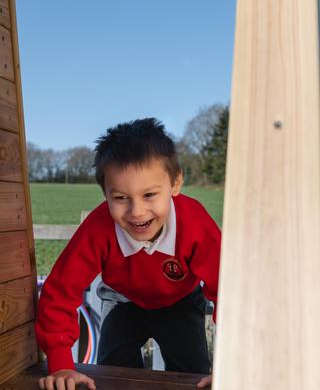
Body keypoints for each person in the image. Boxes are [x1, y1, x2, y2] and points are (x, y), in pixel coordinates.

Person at [36, 118, 221, 390]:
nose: (137, 212)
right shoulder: (98, 228)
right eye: (121, 198)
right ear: (105, 193)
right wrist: (61, 364)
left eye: (149, 195)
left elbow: (229, 291)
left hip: (180, 301)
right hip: (122, 300)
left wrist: (231, 365)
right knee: (111, 374)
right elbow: (60, 290)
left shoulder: (195, 223)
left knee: (193, 375)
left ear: (175, 183)